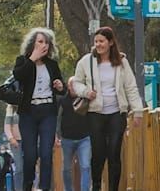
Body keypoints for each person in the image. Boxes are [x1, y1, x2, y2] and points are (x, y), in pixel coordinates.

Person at [70, 25, 144, 191]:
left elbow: (131, 87)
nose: (98, 44)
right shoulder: (86, 61)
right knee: (98, 153)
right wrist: (86, 92)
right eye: (96, 41)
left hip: (117, 113)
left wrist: (137, 111)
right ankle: (96, 185)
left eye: (102, 41)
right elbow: (76, 82)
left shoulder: (121, 62)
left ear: (110, 42)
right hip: (95, 113)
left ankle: (113, 188)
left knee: (114, 152)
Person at [10, 28, 65, 191]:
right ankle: (28, 185)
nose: (44, 45)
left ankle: (44, 187)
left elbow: (61, 88)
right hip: (28, 112)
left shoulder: (52, 64)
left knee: (46, 153)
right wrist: (33, 58)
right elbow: (18, 75)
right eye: (40, 42)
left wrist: (60, 86)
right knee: (30, 154)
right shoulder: (22, 61)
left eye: (47, 42)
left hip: (48, 110)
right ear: (32, 44)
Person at [56, 77, 91, 191]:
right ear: (68, 86)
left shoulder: (85, 99)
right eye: (72, 85)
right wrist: (57, 135)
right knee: (66, 168)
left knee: (85, 166)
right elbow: (58, 119)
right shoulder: (62, 101)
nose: (74, 87)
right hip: (67, 139)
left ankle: (85, 189)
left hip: (84, 138)